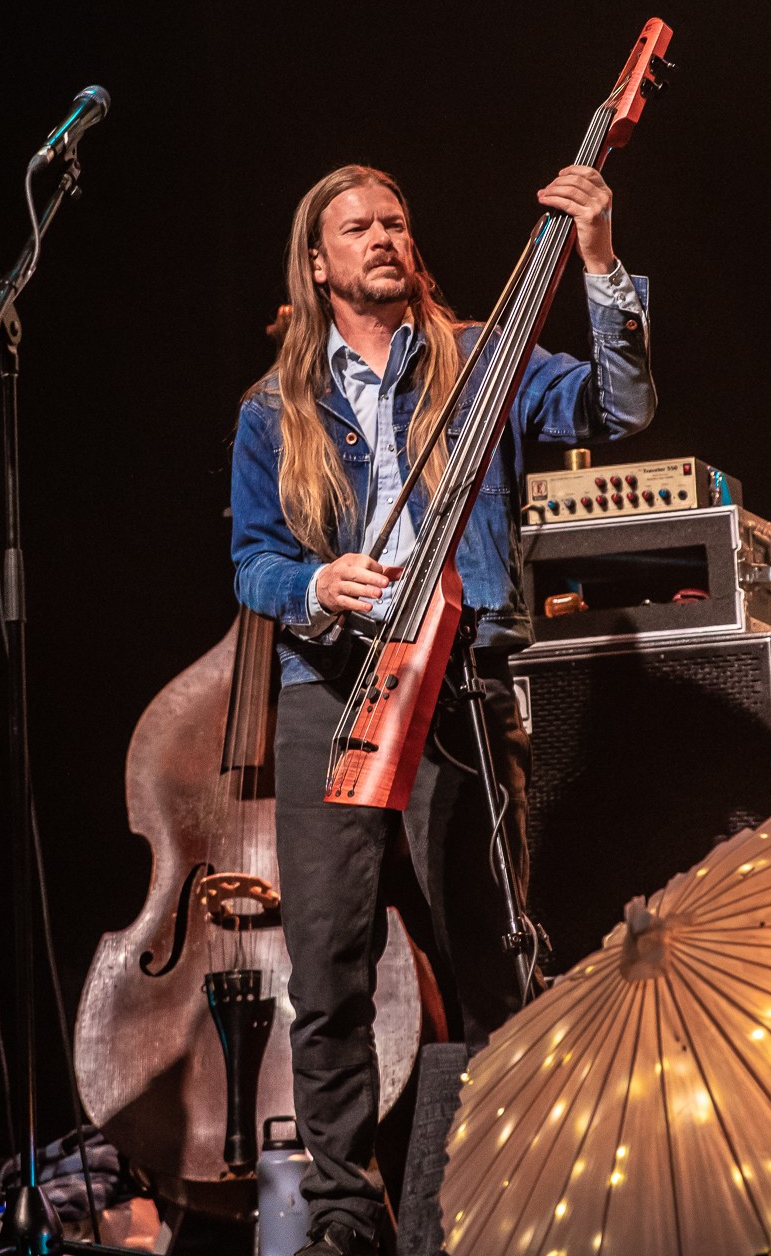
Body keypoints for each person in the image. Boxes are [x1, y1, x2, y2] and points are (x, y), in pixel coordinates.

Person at [230, 163, 657, 1256]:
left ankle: (513, 1195)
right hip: (330, 686)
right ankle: (344, 1212)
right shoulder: (273, 407)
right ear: (317, 261)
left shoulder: (481, 356)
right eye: (356, 227)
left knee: (491, 954)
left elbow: (620, 408)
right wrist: (315, 583)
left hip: (459, 674)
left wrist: (599, 261)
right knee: (326, 965)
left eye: (396, 221)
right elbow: (253, 562)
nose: (383, 236)